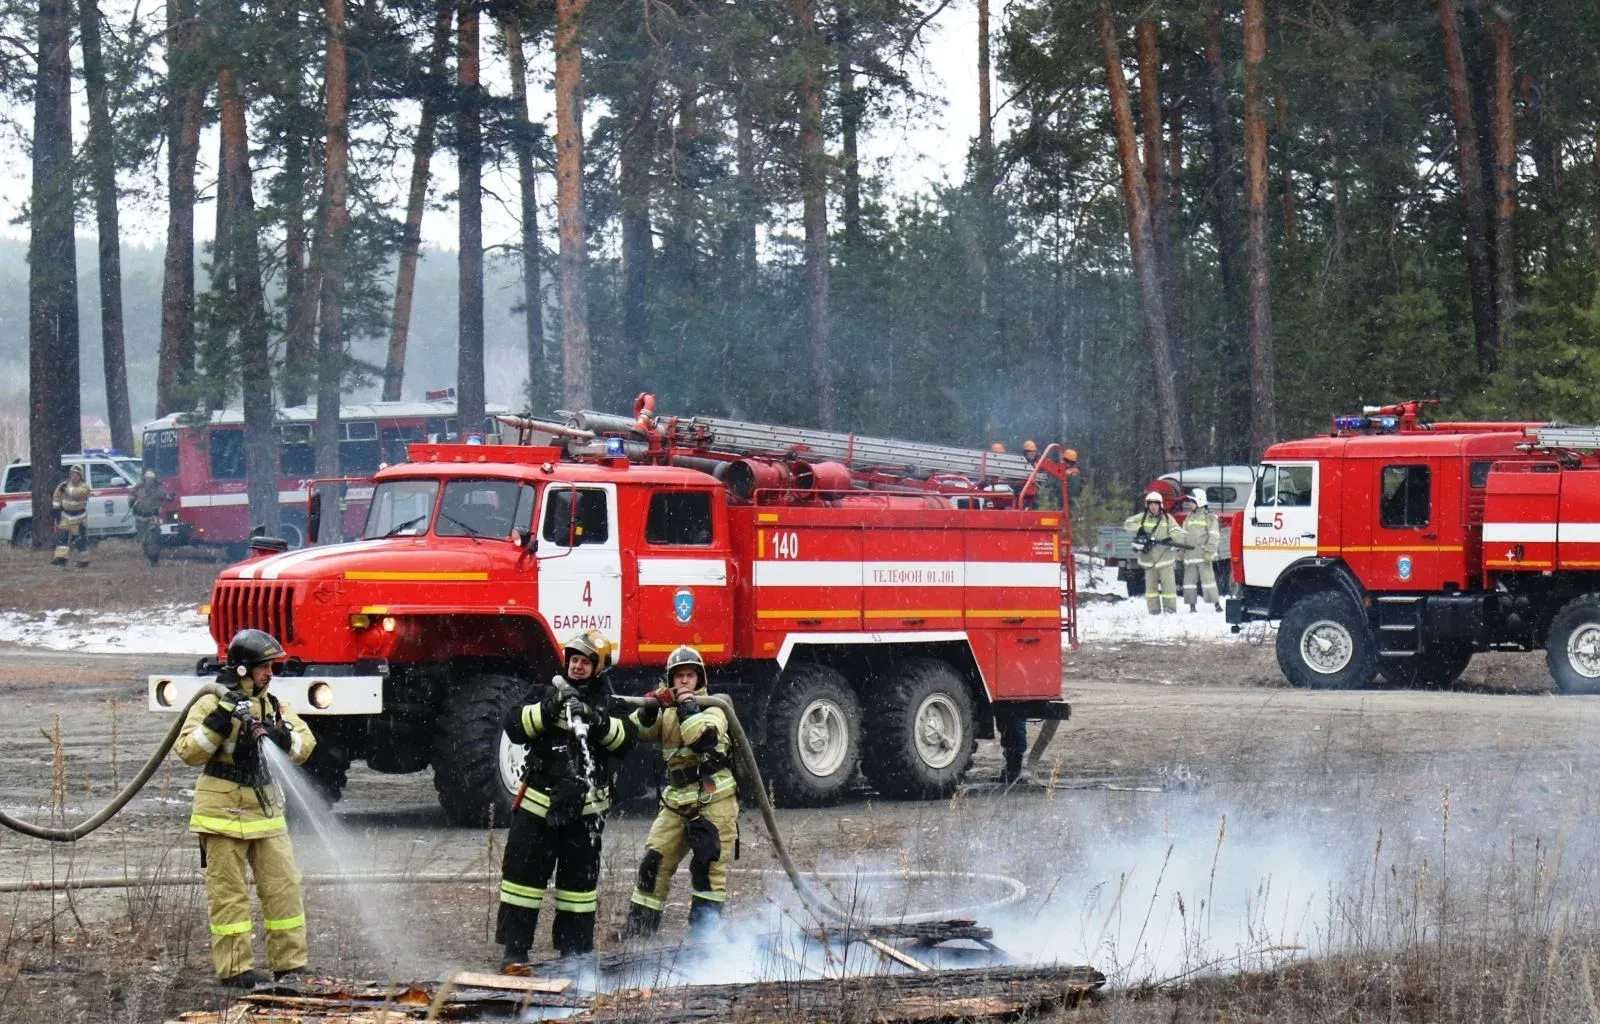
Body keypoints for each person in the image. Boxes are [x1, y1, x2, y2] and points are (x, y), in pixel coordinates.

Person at [173, 629, 315, 988]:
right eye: (264, 666)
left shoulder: (275, 706)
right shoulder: (209, 703)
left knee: (284, 889)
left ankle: (290, 966)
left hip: (266, 814)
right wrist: (220, 719)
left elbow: (305, 745)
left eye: (271, 666)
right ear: (242, 669)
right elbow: (190, 751)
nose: (270, 673)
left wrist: (279, 736)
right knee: (229, 897)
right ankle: (236, 970)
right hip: (220, 815)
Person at [497, 630, 636, 967]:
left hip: (584, 813)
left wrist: (596, 720)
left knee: (578, 889)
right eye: (573, 660)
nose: (577, 666)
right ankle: (515, 952)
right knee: (521, 882)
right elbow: (514, 725)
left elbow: (626, 742)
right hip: (537, 808)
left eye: (585, 662)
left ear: (598, 667)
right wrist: (549, 708)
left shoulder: (609, 703)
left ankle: (573, 956)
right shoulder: (545, 692)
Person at [623, 646, 740, 940]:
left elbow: (700, 739)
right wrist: (649, 707)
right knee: (654, 863)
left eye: (690, 675)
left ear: (699, 679)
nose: (684, 681)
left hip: (713, 800)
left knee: (707, 868)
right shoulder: (668, 710)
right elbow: (636, 730)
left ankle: (704, 941)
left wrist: (687, 705)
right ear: (670, 679)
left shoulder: (715, 708)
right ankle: (639, 934)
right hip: (676, 800)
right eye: (678, 676)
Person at [1123, 491, 1182, 615]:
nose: (1153, 506)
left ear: (1160, 505)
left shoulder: (1168, 518)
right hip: (1148, 560)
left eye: (1155, 504)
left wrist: (1171, 539)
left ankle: (1170, 610)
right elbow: (1127, 524)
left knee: (1169, 587)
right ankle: (1153, 611)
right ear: (1147, 505)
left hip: (1165, 559)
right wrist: (1139, 530)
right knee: (1151, 588)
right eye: (1151, 504)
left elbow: (1178, 532)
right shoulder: (1142, 517)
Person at [1182, 488, 1223, 612]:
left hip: (1203, 556)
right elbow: (1183, 535)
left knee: (1208, 581)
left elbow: (1214, 536)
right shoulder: (1189, 518)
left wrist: (1209, 552)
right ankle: (1192, 606)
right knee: (1189, 583)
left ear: (1199, 501)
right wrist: (1180, 552)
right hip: (1190, 556)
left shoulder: (1209, 517)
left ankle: (1216, 604)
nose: (1190, 504)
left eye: (1192, 501)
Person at [51, 465, 92, 568]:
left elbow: (77, 493)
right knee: (62, 537)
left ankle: (83, 561)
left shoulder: (84, 487)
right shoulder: (63, 485)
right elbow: (56, 496)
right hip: (66, 516)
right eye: (72, 474)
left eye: (76, 475)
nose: (74, 477)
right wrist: (56, 509)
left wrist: (66, 489)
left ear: (80, 476)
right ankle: (61, 559)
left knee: (80, 540)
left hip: (79, 518)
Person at [130, 470, 170, 566]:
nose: (148, 481)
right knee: (144, 539)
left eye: (150, 479)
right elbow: (131, 496)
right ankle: (149, 555)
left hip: (153, 517)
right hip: (140, 517)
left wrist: (171, 497)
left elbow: (167, 497)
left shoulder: (159, 490)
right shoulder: (139, 489)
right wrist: (131, 502)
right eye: (147, 479)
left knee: (153, 536)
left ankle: (154, 559)